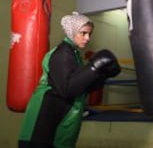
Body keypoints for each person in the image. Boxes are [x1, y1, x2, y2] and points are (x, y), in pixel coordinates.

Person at [18, 12, 121, 148]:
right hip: (43, 120)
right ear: (72, 32)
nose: (87, 38)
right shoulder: (62, 54)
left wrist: (103, 74)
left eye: (89, 34)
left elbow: (82, 86)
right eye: (83, 33)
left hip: (61, 118)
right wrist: (94, 67)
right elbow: (68, 89)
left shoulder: (74, 54)